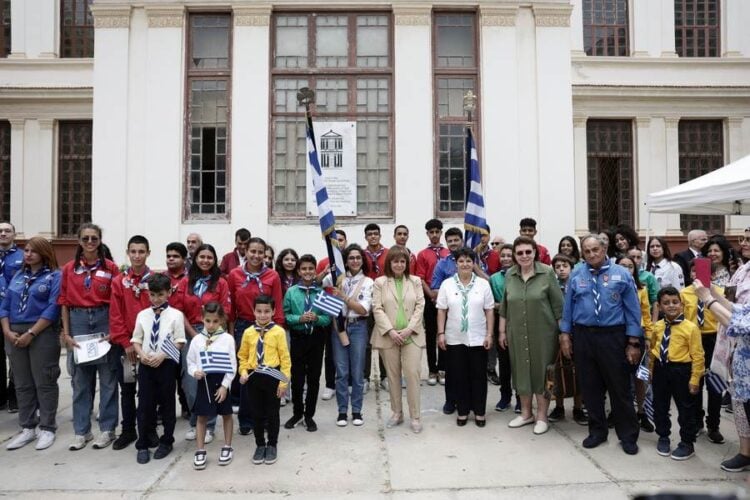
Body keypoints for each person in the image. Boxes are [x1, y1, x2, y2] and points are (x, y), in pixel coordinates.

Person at [560, 234, 643, 455]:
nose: (592, 254)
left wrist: (633, 342)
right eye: (587, 251)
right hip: (584, 336)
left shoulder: (622, 274)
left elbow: (633, 310)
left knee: (620, 388)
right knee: (590, 387)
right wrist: (565, 335)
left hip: (613, 336)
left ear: (604, 248)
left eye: (595, 249)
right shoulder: (577, 274)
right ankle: (597, 431)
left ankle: (628, 435)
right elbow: (568, 308)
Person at [59, 223, 121, 450]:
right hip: (79, 321)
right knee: (81, 382)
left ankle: (107, 429)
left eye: (94, 238)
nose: (90, 243)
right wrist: (66, 333)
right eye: (85, 239)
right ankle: (81, 431)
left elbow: (117, 301)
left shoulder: (112, 268)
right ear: (79, 241)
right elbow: (64, 303)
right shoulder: (68, 269)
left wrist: (115, 331)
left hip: (104, 319)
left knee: (108, 380)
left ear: (100, 240)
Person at [1, 236, 61, 451]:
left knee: (44, 380)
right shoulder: (18, 276)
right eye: (26, 250)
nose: (27, 254)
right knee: (22, 383)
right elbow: (5, 305)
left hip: (40, 333)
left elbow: (53, 308)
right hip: (14, 333)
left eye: (33, 251)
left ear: (44, 253)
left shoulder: (54, 276)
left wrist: (31, 333)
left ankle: (47, 427)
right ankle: (28, 427)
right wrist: (7, 331)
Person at [499, 237, 563, 435]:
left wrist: (564, 335)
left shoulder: (547, 272)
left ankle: (542, 416)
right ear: (515, 256)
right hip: (516, 332)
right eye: (520, 253)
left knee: (543, 374)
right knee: (521, 371)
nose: (524, 256)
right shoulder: (510, 274)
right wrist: (502, 331)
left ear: (535, 252)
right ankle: (526, 414)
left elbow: (558, 306)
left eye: (528, 252)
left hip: (543, 334)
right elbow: (504, 306)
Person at [227, 236, 284, 435]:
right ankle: (246, 418)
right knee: (246, 374)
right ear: (245, 251)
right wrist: (232, 332)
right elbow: (231, 307)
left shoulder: (272, 276)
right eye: (253, 251)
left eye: (260, 252)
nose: (256, 256)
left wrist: (277, 331)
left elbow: (276, 304)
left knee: (267, 375)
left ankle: (267, 418)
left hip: (268, 326)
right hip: (244, 327)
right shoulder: (234, 275)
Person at [177, 243, 231, 442]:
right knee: (191, 382)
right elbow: (178, 311)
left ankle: (208, 426)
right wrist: (193, 334)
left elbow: (225, 311)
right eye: (202, 257)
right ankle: (195, 421)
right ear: (195, 258)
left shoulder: (221, 283)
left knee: (210, 381)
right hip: (190, 334)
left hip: (214, 335)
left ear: (214, 260)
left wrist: (214, 336)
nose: (205, 260)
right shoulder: (185, 282)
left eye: (209, 257)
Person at [130, 273, 186, 464]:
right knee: (145, 404)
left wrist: (162, 355)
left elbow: (179, 341)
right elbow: (137, 339)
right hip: (146, 364)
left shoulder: (176, 315)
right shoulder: (142, 315)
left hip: (166, 364)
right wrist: (142, 355)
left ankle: (167, 440)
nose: (156, 299)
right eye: (152, 295)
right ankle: (143, 443)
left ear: (169, 292)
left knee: (167, 403)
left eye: (160, 294)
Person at [437, 247, 494, 427]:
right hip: (454, 338)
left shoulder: (483, 284)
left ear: (474, 263)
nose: (465, 264)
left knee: (478, 375)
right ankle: (462, 411)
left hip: (478, 337)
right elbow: (441, 310)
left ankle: (479, 411)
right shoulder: (447, 284)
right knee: (459, 375)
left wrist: (489, 334)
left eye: (469, 261)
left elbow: (489, 310)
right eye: (461, 261)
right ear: (456, 263)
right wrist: (441, 334)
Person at [372, 246, 425, 433]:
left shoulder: (415, 281)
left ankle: (415, 416)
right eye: (395, 261)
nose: (399, 264)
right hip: (389, 337)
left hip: (412, 335)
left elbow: (420, 305)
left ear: (407, 263)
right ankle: (397, 413)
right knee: (393, 377)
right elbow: (377, 308)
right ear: (389, 263)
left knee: (412, 374)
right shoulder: (380, 282)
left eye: (403, 261)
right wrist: (390, 331)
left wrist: (409, 329)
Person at [109, 235, 154, 451]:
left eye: (141, 251)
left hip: (150, 346)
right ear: (128, 252)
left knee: (148, 390)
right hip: (126, 346)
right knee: (127, 388)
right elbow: (116, 314)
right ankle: (128, 430)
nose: (137, 256)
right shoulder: (119, 281)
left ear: (148, 253)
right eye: (133, 251)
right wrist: (126, 343)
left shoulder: (154, 280)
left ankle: (150, 429)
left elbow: (160, 313)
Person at [650, 286, 704, 460]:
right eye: (666, 303)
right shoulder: (657, 327)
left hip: (681, 371)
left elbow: (698, 355)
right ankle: (663, 436)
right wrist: (651, 371)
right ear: (659, 306)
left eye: (675, 302)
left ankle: (687, 443)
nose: (671, 306)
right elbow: (653, 350)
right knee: (660, 405)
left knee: (685, 408)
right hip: (661, 368)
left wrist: (695, 379)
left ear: (682, 304)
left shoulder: (691, 328)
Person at [239, 295, 291, 465]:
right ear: (253, 311)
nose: (262, 315)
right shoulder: (248, 332)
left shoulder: (278, 332)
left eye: (267, 311)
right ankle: (260, 444)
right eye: (259, 311)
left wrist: (284, 383)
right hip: (254, 377)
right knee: (256, 413)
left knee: (272, 412)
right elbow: (243, 356)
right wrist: (243, 371)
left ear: (274, 311)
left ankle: (272, 444)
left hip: (273, 375)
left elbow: (285, 359)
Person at [282, 254, 331, 432]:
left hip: (316, 338)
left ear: (315, 271)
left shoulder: (321, 293)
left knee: (314, 378)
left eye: (311, 268)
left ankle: (309, 415)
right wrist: (299, 318)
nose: (308, 272)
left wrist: (317, 318)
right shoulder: (291, 292)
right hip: (298, 338)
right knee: (297, 378)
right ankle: (297, 413)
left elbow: (327, 319)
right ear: (299, 271)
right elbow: (285, 316)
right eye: (304, 269)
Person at [328, 244, 373, 428]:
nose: (355, 261)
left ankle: (356, 410)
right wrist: (327, 270)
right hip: (339, 327)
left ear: (362, 260)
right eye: (351, 258)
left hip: (358, 327)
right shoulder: (338, 279)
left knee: (357, 371)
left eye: (358, 258)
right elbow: (317, 284)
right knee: (341, 372)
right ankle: (341, 411)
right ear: (345, 261)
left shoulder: (368, 282)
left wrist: (344, 297)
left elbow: (363, 309)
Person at [187, 302, 236, 470]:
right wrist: (195, 372)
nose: (211, 325)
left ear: (221, 320)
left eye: (215, 321)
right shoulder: (197, 340)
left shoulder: (228, 339)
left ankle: (227, 446)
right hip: (204, 381)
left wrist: (225, 386)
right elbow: (191, 362)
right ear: (202, 319)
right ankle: (200, 450)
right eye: (208, 321)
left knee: (226, 414)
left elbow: (232, 365)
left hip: (222, 380)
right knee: (202, 416)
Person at [680, 261, 724, 444]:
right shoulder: (684, 293)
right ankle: (697, 421)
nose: (698, 275)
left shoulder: (719, 293)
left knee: (715, 385)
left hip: (713, 339)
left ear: (712, 275)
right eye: (694, 272)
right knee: (695, 381)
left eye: (704, 272)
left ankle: (714, 425)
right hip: (693, 340)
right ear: (690, 274)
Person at [616, 255, 654, 432]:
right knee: (618, 377)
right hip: (616, 336)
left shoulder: (642, 290)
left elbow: (646, 315)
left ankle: (641, 411)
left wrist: (647, 336)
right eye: (622, 266)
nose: (626, 269)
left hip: (637, 336)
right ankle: (620, 413)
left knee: (639, 377)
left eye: (630, 266)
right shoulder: (610, 287)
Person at [548, 253, 587, 425]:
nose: (561, 269)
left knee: (577, 370)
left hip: (577, 332)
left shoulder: (578, 284)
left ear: (572, 268)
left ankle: (578, 408)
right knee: (559, 370)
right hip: (556, 332)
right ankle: (559, 406)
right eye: (558, 266)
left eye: (565, 266)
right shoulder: (552, 286)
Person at [431, 227, 466, 413]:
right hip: (449, 318)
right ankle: (450, 400)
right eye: (450, 241)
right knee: (451, 365)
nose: (453, 243)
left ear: (462, 240)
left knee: (468, 365)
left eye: (456, 240)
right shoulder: (442, 265)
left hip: (470, 320)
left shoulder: (471, 261)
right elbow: (435, 290)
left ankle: (465, 400)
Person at [415, 219, 450, 387]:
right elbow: (420, 277)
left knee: (444, 333)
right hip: (430, 299)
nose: (434, 235)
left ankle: (443, 369)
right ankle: (432, 369)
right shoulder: (422, 254)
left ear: (441, 233)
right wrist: (432, 295)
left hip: (448, 300)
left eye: (437, 231)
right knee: (430, 335)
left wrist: (443, 296)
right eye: (431, 232)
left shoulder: (448, 252)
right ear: (427, 234)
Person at [489, 244, 518, 413]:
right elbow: (491, 303)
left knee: (519, 365)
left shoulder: (520, 275)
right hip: (501, 324)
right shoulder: (494, 279)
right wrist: (504, 306)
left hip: (520, 324)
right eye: (503, 255)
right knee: (505, 363)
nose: (506, 258)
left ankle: (522, 398)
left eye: (509, 255)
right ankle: (505, 396)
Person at [163, 242, 190, 418]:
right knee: (167, 371)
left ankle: (187, 406)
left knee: (184, 371)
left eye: (176, 256)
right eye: (169, 256)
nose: (171, 259)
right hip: (165, 333)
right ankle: (164, 410)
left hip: (184, 332)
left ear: (184, 259)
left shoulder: (190, 278)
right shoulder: (160, 278)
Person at [363, 223, 388, 391]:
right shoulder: (361, 255)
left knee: (385, 340)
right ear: (366, 237)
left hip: (385, 302)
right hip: (365, 303)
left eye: (376, 234)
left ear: (380, 236)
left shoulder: (388, 254)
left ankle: (386, 376)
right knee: (366, 342)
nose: (373, 236)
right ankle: (364, 377)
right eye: (370, 234)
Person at [0, 221, 23, 413]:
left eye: (7, 231)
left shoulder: (23, 257)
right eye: (0, 231)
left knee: (15, 357)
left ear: (14, 235)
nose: (3, 234)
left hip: (13, 314)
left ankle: (14, 395)